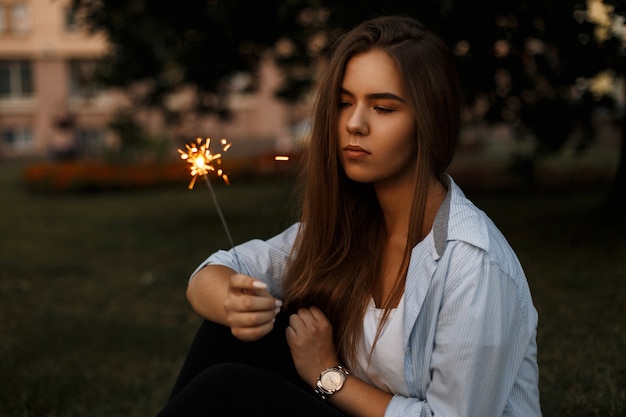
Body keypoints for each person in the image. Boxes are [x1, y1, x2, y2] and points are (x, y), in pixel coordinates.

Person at [156, 14, 542, 417]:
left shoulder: (472, 264)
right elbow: (216, 270)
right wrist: (232, 302)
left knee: (227, 389)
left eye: (383, 108)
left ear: (430, 120)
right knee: (227, 333)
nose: (354, 124)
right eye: (344, 103)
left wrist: (328, 374)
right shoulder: (347, 227)